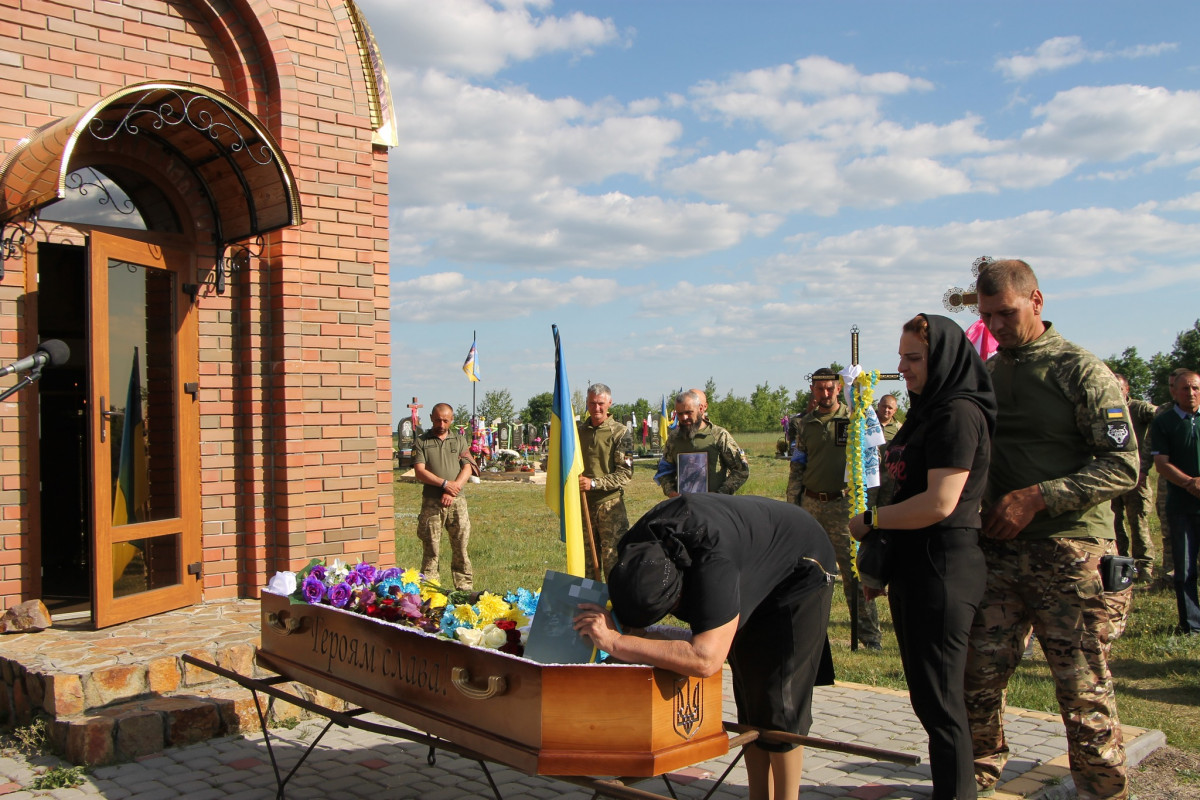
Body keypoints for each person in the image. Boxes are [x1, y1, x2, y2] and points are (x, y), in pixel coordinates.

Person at [965, 259, 1137, 800]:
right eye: (987, 315)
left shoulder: (1080, 370)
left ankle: (1102, 789)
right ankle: (975, 777)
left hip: (1070, 551)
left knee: (1081, 685)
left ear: (1036, 301)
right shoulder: (992, 373)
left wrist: (1039, 497)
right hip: (999, 552)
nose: (996, 325)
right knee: (977, 677)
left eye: (1006, 312)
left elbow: (1124, 465)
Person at [573, 493, 836, 800]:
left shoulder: (715, 565)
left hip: (800, 566)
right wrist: (622, 633)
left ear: (680, 594)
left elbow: (706, 659)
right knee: (751, 696)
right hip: (747, 552)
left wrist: (618, 641)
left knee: (780, 699)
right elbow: (640, 629)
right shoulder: (635, 551)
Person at [849, 314, 996, 800]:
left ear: (945, 358)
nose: (901, 367)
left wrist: (872, 522)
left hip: (944, 567)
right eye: (901, 356)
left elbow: (938, 503)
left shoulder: (956, 413)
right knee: (930, 704)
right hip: (918, 567)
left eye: (913, 358)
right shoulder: (928, 410)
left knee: (943, 706)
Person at [787, 367, 883, 650]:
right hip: (811, 505)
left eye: (830, 388)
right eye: (820, 389)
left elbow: (871, 459)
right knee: (808, 572)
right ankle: (808, 633)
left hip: (844, 505)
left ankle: (868, 636)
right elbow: (798, 466)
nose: (825, 394)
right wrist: (793, 506)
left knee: (854, 571)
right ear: (813, 391)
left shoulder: (854, 417)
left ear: (839, 388)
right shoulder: (805, 424)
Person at [1150, 369, 1200, 634]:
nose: (1190, 394)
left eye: (1195, 388)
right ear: (1174, 392)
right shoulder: (1164, 422)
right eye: (1184, 389)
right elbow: (1161, 464)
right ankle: (1191, 624)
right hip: (1181, 506)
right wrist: (1191, 483)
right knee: (1185, 568)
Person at [412, 403, 480, 590]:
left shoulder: (459, 440)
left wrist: (454, 488)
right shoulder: (422, 441)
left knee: (460, 547)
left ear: (451, 420)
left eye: (445, 420)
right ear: (431, 418)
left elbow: (468, 467)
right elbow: (419, 471)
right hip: (432, 502)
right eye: (437, 420)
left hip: (457, 502)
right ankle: (430, 590)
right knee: (431, 548)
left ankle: (464, 590)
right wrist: (444, 484)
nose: (441, 424)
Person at [577, 383, 633, 576]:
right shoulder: (578, 432)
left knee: (613, 561)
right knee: (586, 563)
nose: (596, 408)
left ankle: (614, 604)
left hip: (610, 506)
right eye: (592, 403)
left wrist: (593, 484)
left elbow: (625, 473)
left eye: (601, 403)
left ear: (609, 403)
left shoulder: (619, 432)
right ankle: (590, 602)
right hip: (582, 506)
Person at [655, 390, 748, 496]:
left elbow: (741, 470)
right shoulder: (673, 438)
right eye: (680, 414)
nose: (684, 417)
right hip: (684, 506)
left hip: (715, 506)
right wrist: (671, 492)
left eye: (688, 412)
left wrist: (721, 493)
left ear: (700, 409)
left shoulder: (719, 435)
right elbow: (664, 471)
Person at [1110, 373, 1157, 583]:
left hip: (1137, 477)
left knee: (1138, 522)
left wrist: (1145, 461)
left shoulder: (1139, 408)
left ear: (1127, 389)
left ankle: (1144, 567)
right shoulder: (1108, 408)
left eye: (1120, 388)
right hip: (1111, 475)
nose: (1117, 391)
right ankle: (1120, 564)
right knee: (1114, 521)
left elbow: (1163, 418)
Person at [871, 393, 903, 507]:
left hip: (889, 476)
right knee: (867, 508)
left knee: (885, 507)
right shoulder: (867, 423)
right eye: (884, 406)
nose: (886, 410)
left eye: (890, 408)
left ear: (895, 410)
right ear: (878, 405)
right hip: (870, 475)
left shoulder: (899, 428)